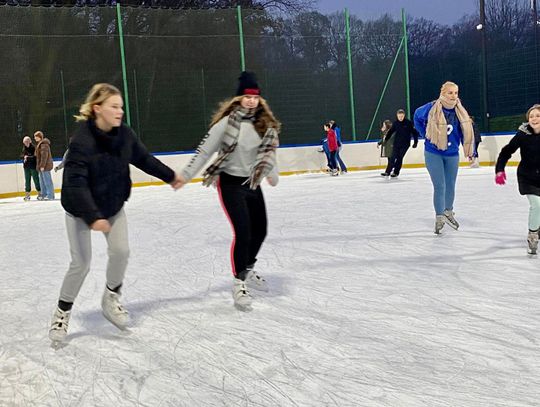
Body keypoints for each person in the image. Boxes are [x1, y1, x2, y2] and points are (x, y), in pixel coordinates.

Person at [48, 83, 182, 343]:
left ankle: (111, 298)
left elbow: (144, 159)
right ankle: (62, 313)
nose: (120, 111)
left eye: (121, 106)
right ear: (97, 109)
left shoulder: (124, 136)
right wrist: (92, 217)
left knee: (121, 251)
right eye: (114, 107)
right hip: (79, 210)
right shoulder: (82, 142)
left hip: (112, 205)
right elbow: (75, 184)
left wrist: (169, 176)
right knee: (81, 264)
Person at [176, 72, 280, 310]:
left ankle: (249, 267)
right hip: (230, 184)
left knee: (260, 231)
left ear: (260, 99)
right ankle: (238, 282)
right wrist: (185, 175)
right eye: (246, 96)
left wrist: (272, 175)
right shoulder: (226, 124)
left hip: (252, 183)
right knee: (243, 232)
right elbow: (204, 151)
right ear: (238, 98)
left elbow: (268, 154)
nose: (251, 101)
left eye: (255, 97)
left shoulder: (263, 124)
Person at [414, 81, 474, 234]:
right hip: (434, 152)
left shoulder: (460, 111)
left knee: (451, 184)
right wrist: (426, 134)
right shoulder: (430, 108)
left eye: (456, 93)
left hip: (452, 153)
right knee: (440, 185)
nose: (453, 96)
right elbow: (416, 116)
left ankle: (448, 211)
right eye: (450, 92)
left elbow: (464, 131)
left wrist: (470, 151)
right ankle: (439, 216)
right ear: (443, 93)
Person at [495, 104, 540, 254]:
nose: (534, 118)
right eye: (531, 116)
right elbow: (506, 151)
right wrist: (499, 170)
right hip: (527, 177)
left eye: (538, 115)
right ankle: (533, 234)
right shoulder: (523, 134)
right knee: (537, 204)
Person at [381, 109, 419, 178]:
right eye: (399, 116)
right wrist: (385, 140)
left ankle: (396, 172)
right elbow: (390, 132)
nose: (400, 118)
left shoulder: (408, 123)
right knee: (392, 157)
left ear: (404, 115)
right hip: (396, 144)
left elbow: (414, 132)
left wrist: (415, 142)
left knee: (399, 157)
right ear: (397, 116)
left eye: (402, 116)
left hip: (405, 144)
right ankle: (387, 172)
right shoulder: (395, 123)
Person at [34, 130, 55, 200]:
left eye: (36, 137)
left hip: (45, 166)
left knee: (47, 181)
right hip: (41, 166)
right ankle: (44, 194)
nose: (35, 138)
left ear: (39, 137)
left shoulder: (44, 145)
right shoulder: (40, 144)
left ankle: (50, 195)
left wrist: (42, 165)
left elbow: (44, 156)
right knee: (42, 181)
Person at [20, 135, 41, 201]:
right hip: (26, 167)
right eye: (24, 142)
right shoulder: (24, 148)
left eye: (27, 142)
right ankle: (27, 195)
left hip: (33, 167)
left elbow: (35, 157)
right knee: (27, 181)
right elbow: (21, 155)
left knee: (36, 180)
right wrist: (24, 157)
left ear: (30, 141)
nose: (25, 143)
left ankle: (40, 193)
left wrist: (27, 157)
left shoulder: (34, 148)